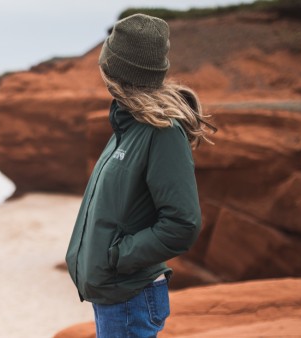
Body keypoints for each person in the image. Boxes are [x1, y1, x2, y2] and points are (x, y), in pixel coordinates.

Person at [64, 13, 217, 338]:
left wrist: (117, 257)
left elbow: (183, 223)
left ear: (117, 70)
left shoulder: (161, 132)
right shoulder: (127, 123)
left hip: (130, 296)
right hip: (115, 294)